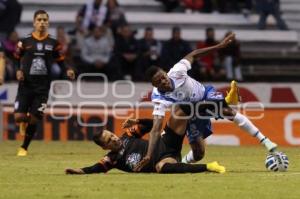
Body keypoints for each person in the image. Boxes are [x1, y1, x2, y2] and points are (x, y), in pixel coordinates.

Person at [133, 33, 277, 171]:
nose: (164, 82)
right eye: (159, 82)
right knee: (198, 153)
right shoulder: (158, 98)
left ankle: (265, 141)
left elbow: (194, 54)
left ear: (165, 72)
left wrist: (219, 46)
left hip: (205, 95)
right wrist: (148, 155)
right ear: (154, 85)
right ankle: (182, 164)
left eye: (163, 77)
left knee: (228, 112)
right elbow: (156, 128)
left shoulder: (177, 71)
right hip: (192, 112)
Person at [65, 116, 225, 174]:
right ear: (104, 148)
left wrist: (138, 121)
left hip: (165, 142)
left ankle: (211, 108)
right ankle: (210, 167)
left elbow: (152, 125)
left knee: (180, 111)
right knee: (160, 168)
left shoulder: (128, 135)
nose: (113, 139)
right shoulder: (111, 159)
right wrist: (76, 170)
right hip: (166, 159)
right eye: (109, 140)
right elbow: (93, 169)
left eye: (112, 135)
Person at [14, 10, 75, 156]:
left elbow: (61, 61)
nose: (42, 22)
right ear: (34, 22)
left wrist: (67, 70)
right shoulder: (25, 41)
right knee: (19, 117)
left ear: (48, 23)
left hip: (43, 87)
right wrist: (18, 70)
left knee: (34, 119)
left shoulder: (54, 43)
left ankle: (24, 147)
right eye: (39, 20)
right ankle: (23, 122)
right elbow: (16, 57)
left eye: (44, 20)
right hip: (25, 85)